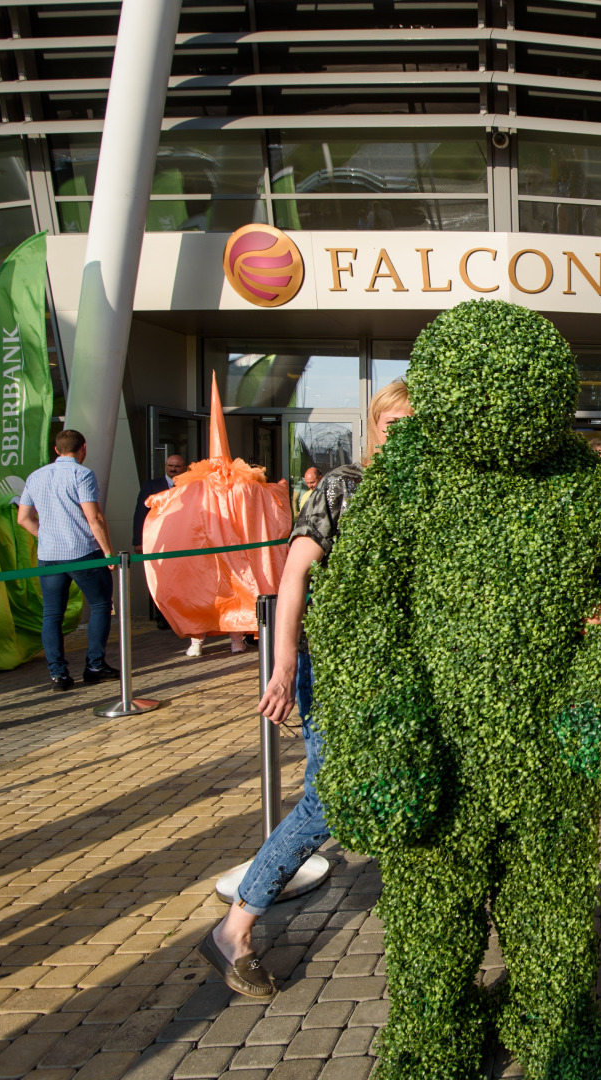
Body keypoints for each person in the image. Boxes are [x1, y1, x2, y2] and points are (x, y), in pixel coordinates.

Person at [198, 379, 413, 998]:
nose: (400, 433)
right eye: (391, 423)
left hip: (392, 673)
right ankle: (234, 928)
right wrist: (285, 662)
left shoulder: (423, 495)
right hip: (335, 668)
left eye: (413, 423)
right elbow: (294, 574)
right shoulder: (346, 486)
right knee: (325, 800)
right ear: (374, 426)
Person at [18, 429, 118, 692]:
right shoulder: (82, 474)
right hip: (82, 551)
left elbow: (23, 519)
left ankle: (58, 674)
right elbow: (93, 517)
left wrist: (47, 536)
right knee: (99, 606)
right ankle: (94, 666)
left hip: (49, 555)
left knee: (51, 614)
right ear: (83, 448)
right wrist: (108, 551)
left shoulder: (36, 476)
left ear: (56, 450)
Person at [135, 454, 188, 630]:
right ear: (165, 466)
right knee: (159, 579)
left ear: (184, 468)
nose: (173, 469)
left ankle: (181, 616)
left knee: (182, 579)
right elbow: (140, 513)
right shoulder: (151, 485)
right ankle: (162, 617)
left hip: (183, 541)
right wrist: (137, 540)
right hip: (157, 540)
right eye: (170, 465)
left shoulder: (190, 485)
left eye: (177, 466)